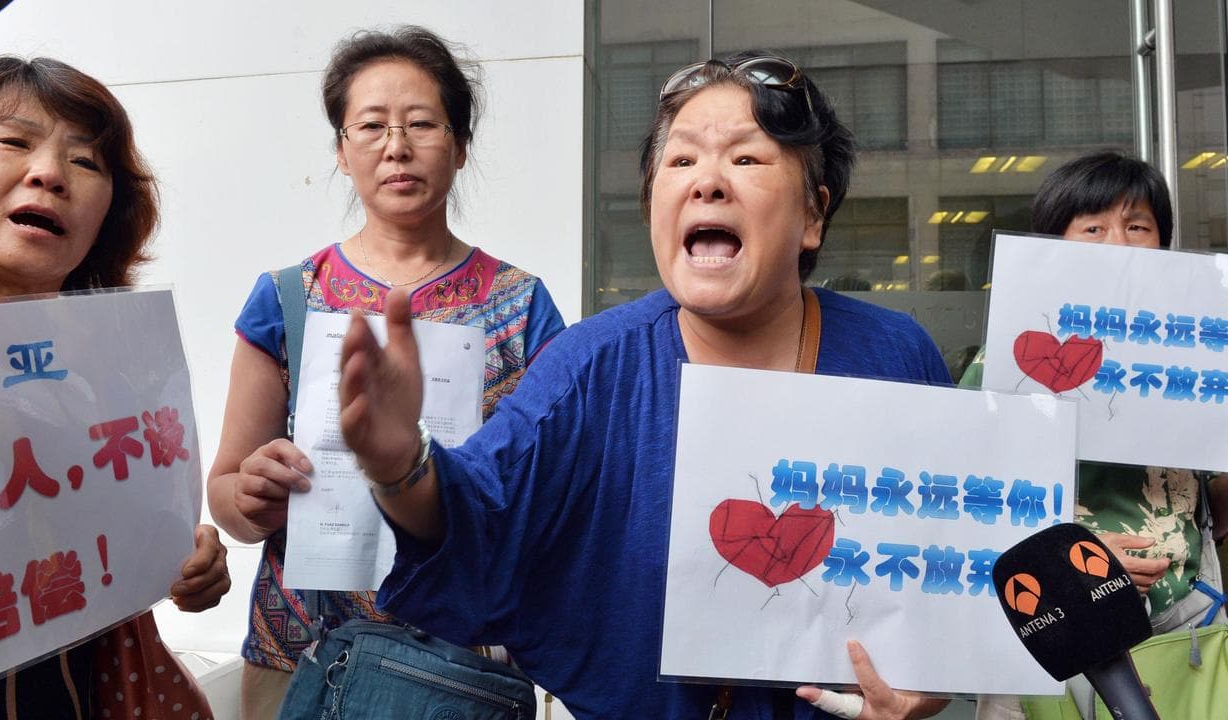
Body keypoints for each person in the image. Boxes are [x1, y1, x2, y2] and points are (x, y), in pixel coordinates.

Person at [337, 52, 952, 719]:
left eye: (746, 159)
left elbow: (951, 571)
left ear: (813, 214)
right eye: (681, 161)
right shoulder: (589, 367)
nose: (707, 183)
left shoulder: (895, 354)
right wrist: (401, 464)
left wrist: (927, 688)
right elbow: (480, 513)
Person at [205, 26, 565, 719]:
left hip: (462, 668)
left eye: (422, 124)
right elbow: (227, 497)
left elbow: (552, 498)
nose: (396, 146)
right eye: (371, 126)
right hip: (300, 659)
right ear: (342, 152)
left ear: (460, 146)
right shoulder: (287, 299)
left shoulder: (522, 306)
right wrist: (250, 496)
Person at [0, 55, 230, 719]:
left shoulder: (102, 372)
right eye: (13, 141)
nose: (49, 173)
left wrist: (186, 557)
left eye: (85, 161)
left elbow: (120, 536)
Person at [961, 151, 1228, 719]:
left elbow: (1214, 501)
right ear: (1053, 244)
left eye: (1138, 227)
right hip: (1044, 630)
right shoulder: (1007, 360)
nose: (1118, 245)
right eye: (1092, 228)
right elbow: (967, 496)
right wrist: (1074, 565)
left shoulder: (1193, 358)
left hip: (1182, 632)